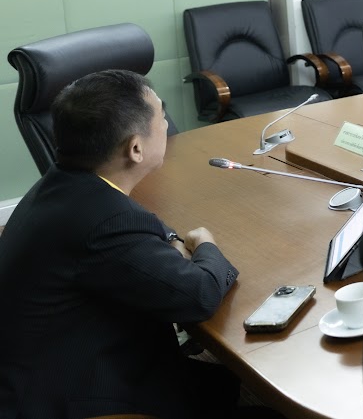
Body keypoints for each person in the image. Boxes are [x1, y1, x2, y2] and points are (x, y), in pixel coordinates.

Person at [0, 70, 241, 419]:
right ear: (136, 148)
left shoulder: (63, 183)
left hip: (42, 362)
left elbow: (137, 222)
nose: (167, 125)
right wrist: (205, 244)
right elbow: (199, 295)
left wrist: (173, 240)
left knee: (223, 385)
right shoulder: (106, 222)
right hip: (66, 396)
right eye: (162, 117)